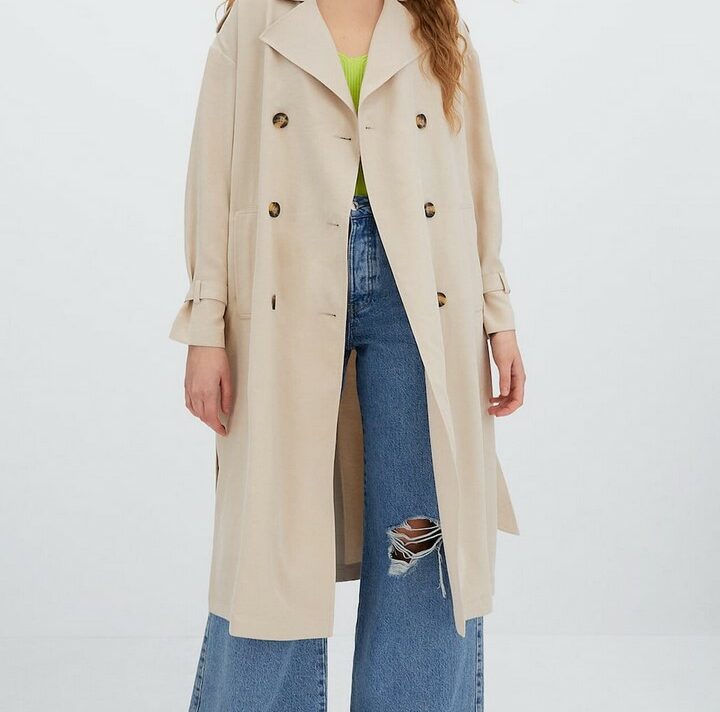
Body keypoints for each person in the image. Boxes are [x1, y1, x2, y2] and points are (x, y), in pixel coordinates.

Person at [169, 0, 526, 709]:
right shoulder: (254, 19)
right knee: (275, 538)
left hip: (422, 289)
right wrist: (205, 322)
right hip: (285, 283)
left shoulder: (436, 21)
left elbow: (473, 174)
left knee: (416, 536)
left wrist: (497, 313)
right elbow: (214, 171)